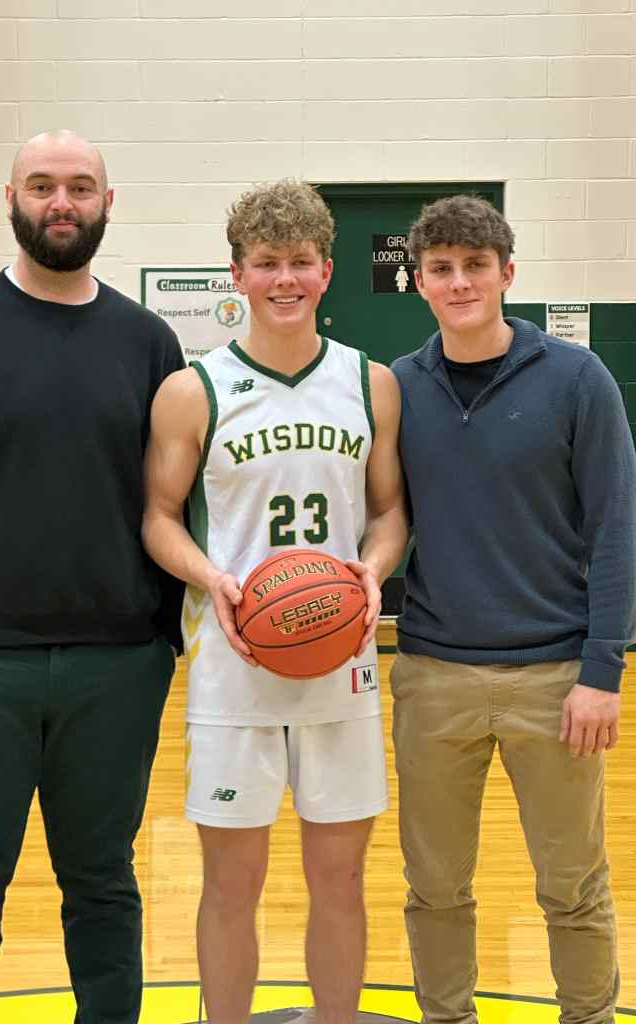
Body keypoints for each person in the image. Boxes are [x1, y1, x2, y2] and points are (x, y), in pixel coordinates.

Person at [0, 130, 185, 1024]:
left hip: (116, 668)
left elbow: (174, 500)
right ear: (10, 199)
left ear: (107, 203)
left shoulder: (147, 342)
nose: (62, 202)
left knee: (104, 884)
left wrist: (159, 638)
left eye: (81, 187)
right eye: (43, 185)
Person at [142, 180, 409, 1024]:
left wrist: (372, 570)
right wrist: (210, 577)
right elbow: (157, 517)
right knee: (231, 884)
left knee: (340, 877)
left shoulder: (371, 385)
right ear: (237, 274)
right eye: (266, 263)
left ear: (327, 270)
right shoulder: (194, 390)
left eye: (300, 262)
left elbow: (390, 511)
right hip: (233, 667)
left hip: (342, 661)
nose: (284, 279)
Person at [389, 194, 636, 1024]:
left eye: (475, 266)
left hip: (557, 678)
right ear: (419, 280)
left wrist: (603, 671)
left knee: (572, 886)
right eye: (441, 268)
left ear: (508, 272)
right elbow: (383, 519)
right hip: (433, 674)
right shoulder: (398, 388)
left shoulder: (577, 378)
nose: (459, 282)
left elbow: (617, 530)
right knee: (434, 887)